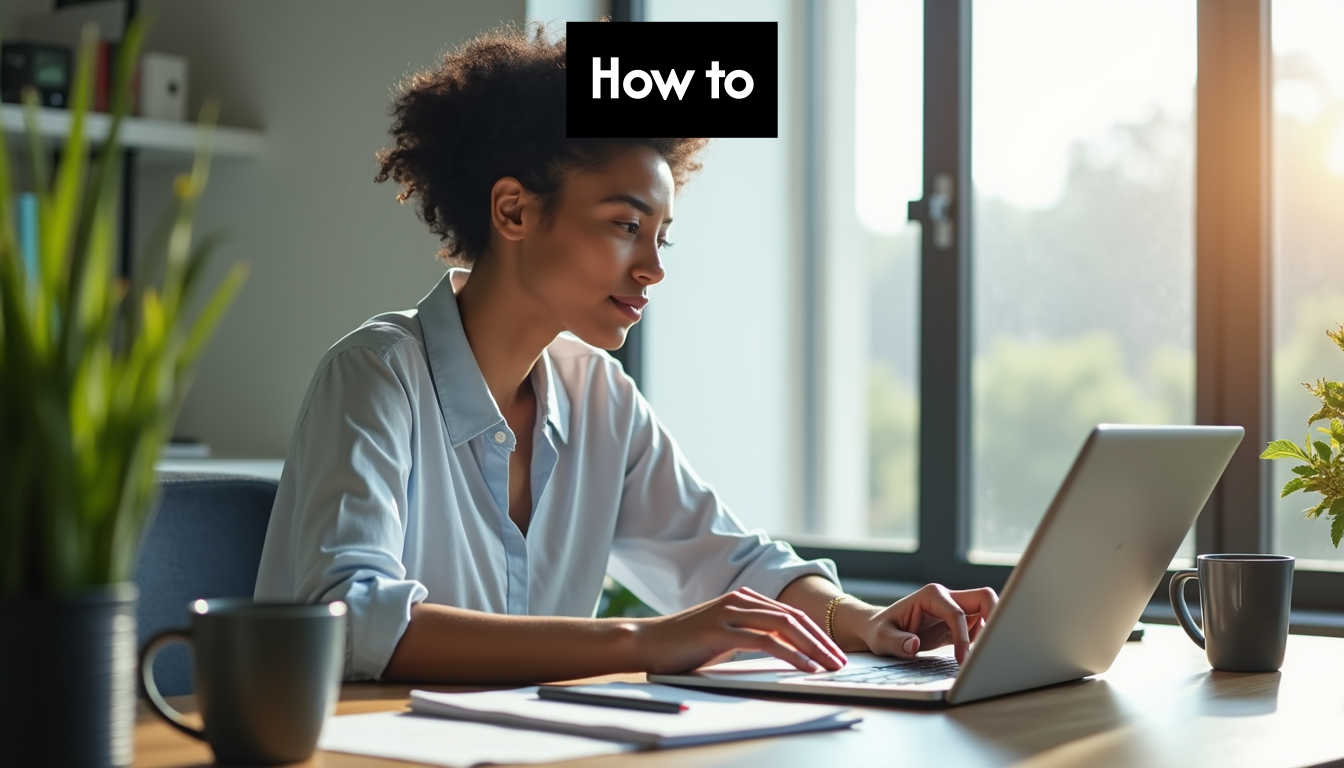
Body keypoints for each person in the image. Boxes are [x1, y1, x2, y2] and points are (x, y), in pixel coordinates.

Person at [253, 22, 997, 684]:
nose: (653, 268)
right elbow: (349, 618)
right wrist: (641, 639)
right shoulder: (377, 377)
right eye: (622, 226)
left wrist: (865, 621)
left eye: (660, 236)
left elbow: (731, 564)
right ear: (513, 210)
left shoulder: (598, 398)